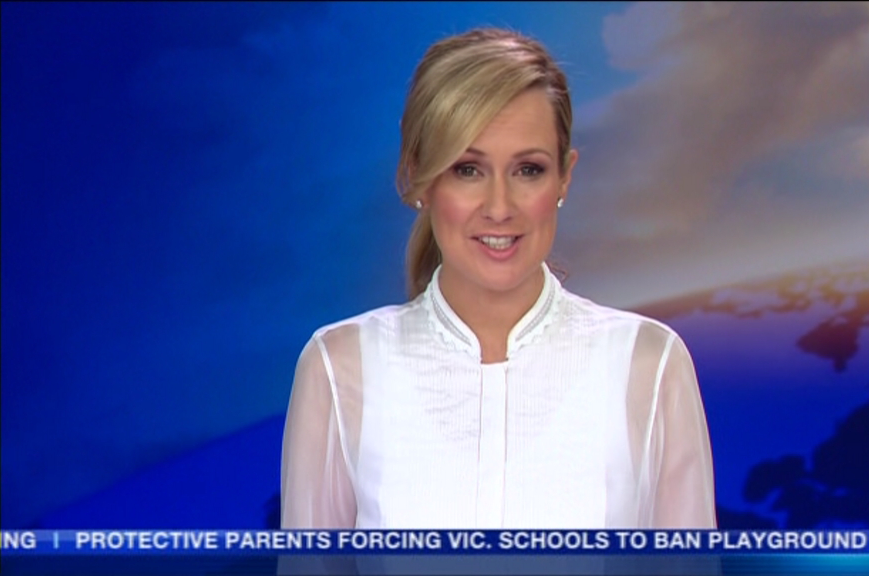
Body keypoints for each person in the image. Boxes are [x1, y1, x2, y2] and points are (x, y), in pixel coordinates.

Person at [280, 27, 716, 530]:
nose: (500, 207)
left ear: (564, 177)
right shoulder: (338, 368)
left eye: (528, 169)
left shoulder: (648, 363)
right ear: (420, 175)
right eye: (468, 169)